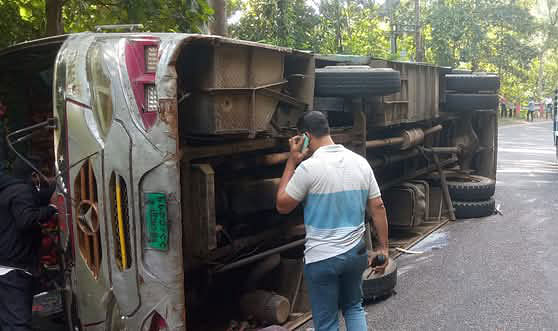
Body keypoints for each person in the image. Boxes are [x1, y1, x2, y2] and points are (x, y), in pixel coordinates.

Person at [276, 111, 389, 331]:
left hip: (322, 258)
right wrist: (383, 248)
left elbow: (282, 205)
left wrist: (292, 161)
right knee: (354, 308)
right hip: (356, 254)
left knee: (327, 322)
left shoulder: (308, 168)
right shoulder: (360, 163)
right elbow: (378, 207)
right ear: (327, 130)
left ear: (306, 136)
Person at [0, 161, 57, 330]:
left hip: (5, 267)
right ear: (34, 176)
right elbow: (25, 220)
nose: (45, 179)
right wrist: (51, 209)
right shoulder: (22, 191)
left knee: (7, 323)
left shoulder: (8, 192)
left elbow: (37, 198)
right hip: (14, 271)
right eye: (43, 174)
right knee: (18, 324)